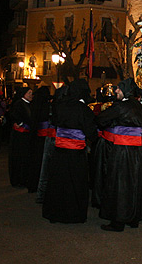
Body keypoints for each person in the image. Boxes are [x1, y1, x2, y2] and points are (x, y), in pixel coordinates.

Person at [42, 80, 97, 224]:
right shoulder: (83, 109)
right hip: (76, 153)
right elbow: (91, 133)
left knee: (58, 182)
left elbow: (54, 122)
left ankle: (54, 213)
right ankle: (74, 215)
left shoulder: (60, 106)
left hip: (59, 151)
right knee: (75, 183)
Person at [95, 78, 142, 232]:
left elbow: (101, 119)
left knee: (119, 184)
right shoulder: (138, 106)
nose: (116, 91)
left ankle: (118, 220)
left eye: (119, 89)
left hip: (122, 150)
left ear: (125, 90)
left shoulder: (120, 106)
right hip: (137, 150)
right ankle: (133, 217)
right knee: (134, 183)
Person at [29, 86, 53, 195]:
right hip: (45, 137)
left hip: (36, 136)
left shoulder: (34, 105)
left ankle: (33, 184)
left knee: (35, 161)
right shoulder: (46, 106)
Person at [9, 87, 33, 188]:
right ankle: (18, 179)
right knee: (19, 157)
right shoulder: (19, 104)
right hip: (20, 136)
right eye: (29, 93)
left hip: (25, 135)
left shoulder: (28, 104)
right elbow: (15, 117)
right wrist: (20, 123)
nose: (31, 95)